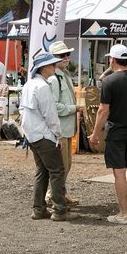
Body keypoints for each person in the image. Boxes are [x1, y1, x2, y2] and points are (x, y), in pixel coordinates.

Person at [88, 44, 127, 224]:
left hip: (116, 131)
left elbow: (103, 111)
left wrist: (95, 133)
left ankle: (122, 213)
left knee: (119, 172)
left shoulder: (109, 82)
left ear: (112, 60)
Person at [21, 52, 73, 221]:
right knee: (57, 171)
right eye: (51, 65)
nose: (54, 67)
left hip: (32, 133)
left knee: (41, 171)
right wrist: (58, 135)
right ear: (44, 68)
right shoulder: (43, 87)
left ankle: (39, 209)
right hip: (44, 134)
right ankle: (59, 210)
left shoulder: (30, 84)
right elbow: (50, 115)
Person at [46, 40, 79, 206]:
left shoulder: (64, 75)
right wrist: (75, 108)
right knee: (62, 167)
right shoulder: (54, 79)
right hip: (59, 129)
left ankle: (58, 193)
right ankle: (53, 195)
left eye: (68, 54)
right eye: (62, 55)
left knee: (67, 165)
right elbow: (54, 106)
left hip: (66, 128)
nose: (67, 57)